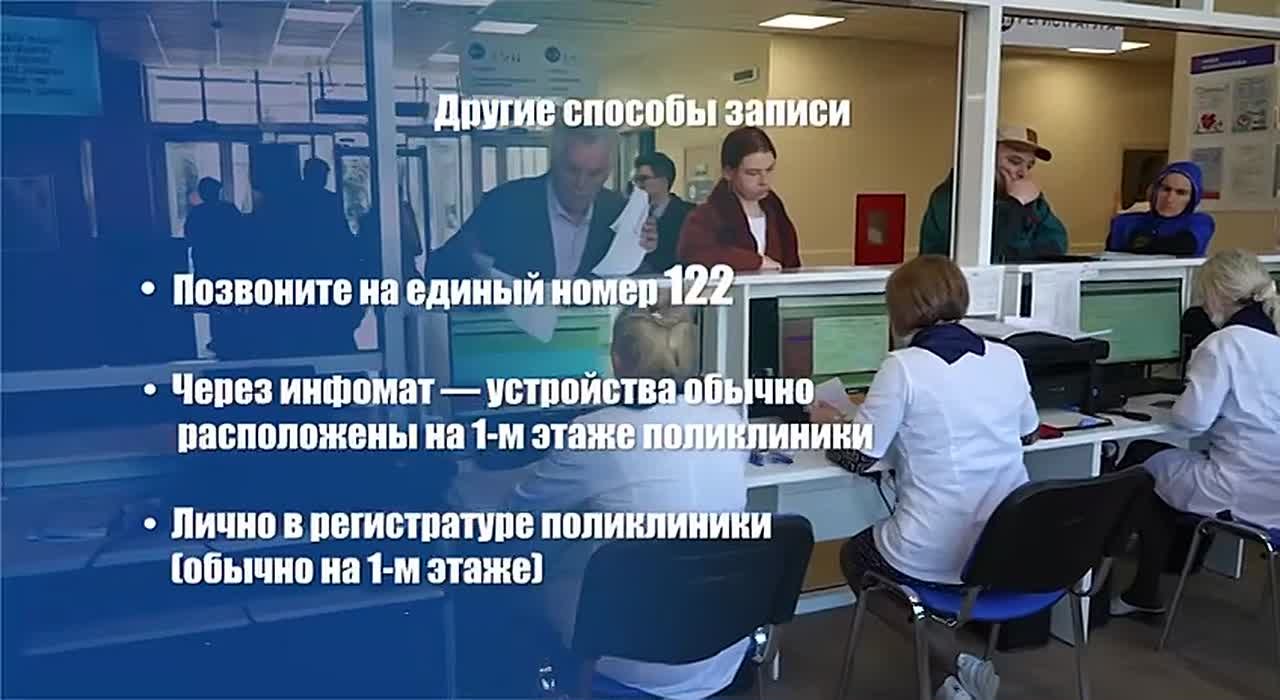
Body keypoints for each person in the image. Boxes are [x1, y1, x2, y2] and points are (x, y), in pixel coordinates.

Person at [809, 255, 1039, 699]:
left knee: (855, 558)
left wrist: (828, 425)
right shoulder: (1007, 357)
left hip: (935, 549)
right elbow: (1027, 433)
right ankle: (953, 674)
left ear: (899, 312)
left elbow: (858, 457)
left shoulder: (903, 366)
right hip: (1006, 546)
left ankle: (952, 662)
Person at [504, 295, 754, 699]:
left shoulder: (595, 433)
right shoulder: (728, 419)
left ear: (617, 361)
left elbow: (521, 511)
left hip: (629, 658)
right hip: (722, 649)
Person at [1111, 249, 1280, 616]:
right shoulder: (1273, 340)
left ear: (1217, 294)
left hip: (1239, 490)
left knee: (1140, 455)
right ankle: (1157, 575)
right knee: (1166, 467)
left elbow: (1193, 421)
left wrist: (1175, 402)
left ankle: (1121, 584)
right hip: (1273, 493)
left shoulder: (1224, 343)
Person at [426, 126, 657, 280]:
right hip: (512, 337)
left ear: (608, 171)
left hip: (591, 336)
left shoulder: (618, 211)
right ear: (554, 161)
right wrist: (476, 266)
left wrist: (642, 252)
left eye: (594, 174)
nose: (581, 184)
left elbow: (638, 283)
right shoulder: (506, 204)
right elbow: (437, 269)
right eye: (572, 170)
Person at [920, 125, 1069, 262]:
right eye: (1014, 161)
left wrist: (1021, 206)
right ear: (987, 157)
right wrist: (1015, 206)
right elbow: (991, 255)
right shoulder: (953, 197)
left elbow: (1056, 247)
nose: (1023, 173)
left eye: (1029, 166)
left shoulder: (1031, 199)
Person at [677, 127, 801, 272]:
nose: (764, 180)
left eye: (769, 170)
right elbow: (694, 255)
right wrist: (755, 262)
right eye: (753, 173)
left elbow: (792, 265)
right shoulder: (705, 217)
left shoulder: (776, 212)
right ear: (728, 172)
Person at [1106, 161, 1215, 257]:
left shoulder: (1200, 222)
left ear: (1192, 198)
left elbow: (1184, 246)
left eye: (1181, 193)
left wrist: (1141, 243)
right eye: (1166, 189)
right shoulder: (1125, 222)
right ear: (1155, 190)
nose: (1169, 199)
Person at [633, 151, 693, 273]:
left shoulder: (689, 215)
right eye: (636, 180)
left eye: (643, 179)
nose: (638, 185)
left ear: (664, 180)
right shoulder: (631, 215)